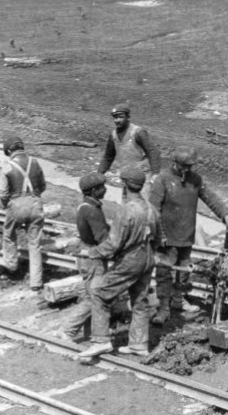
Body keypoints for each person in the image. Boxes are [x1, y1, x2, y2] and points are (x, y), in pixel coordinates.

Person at [149, 147, 228, 325]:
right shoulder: (163, 180)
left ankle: (178, 300)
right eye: (185, 166)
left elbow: (210, 198)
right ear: (175, 164)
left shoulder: (195, 180)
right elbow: (153, 209)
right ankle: (163, 308)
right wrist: (160, 233)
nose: (188, 170)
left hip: (186, 236)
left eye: (190, 166)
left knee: (183, 273)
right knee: (164, 273)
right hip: (167, 238)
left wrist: (226, 214)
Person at [78, 167, 158, 360]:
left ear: (124, 186)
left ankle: (100, 340)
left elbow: (113, 244)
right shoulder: (151, 208)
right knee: (140, 300)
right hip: (148, 257)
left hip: (130, 260)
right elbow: (157, 237)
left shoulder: (125, 210)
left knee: (98, 292)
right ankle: (138, 344)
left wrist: (92, 252)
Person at [0, 136, 47, 291]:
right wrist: (33, 197)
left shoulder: (7, 166)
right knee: (34, 243)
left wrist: (8, 206)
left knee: (9, 236)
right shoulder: (35, 162)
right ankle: (36, 282)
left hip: (16, 204)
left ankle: (11, 265)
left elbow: (2, 193)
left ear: (9, 151)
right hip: (36, 204)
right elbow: (43, 186)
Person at [62, 172, 110, 342]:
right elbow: (103, 238)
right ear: (94, 190)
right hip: (93, 257)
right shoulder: (92, 211)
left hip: (87, 254)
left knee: (91, 293)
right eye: (102, 187)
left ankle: (89, 333)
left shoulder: (86, 206)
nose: (105, 190)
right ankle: (69, 329)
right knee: (94, 297)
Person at [97, 103, 161, 185]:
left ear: (128, 117)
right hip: (126, 177)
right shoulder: (113, 136)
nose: (117, 120)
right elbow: (108, 157)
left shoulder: (138, 133)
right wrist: (99, 174)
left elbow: (153, 151)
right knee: (127, 197)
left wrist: (155, 173)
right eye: (115, 117)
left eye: (121, 117)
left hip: (142, 177)